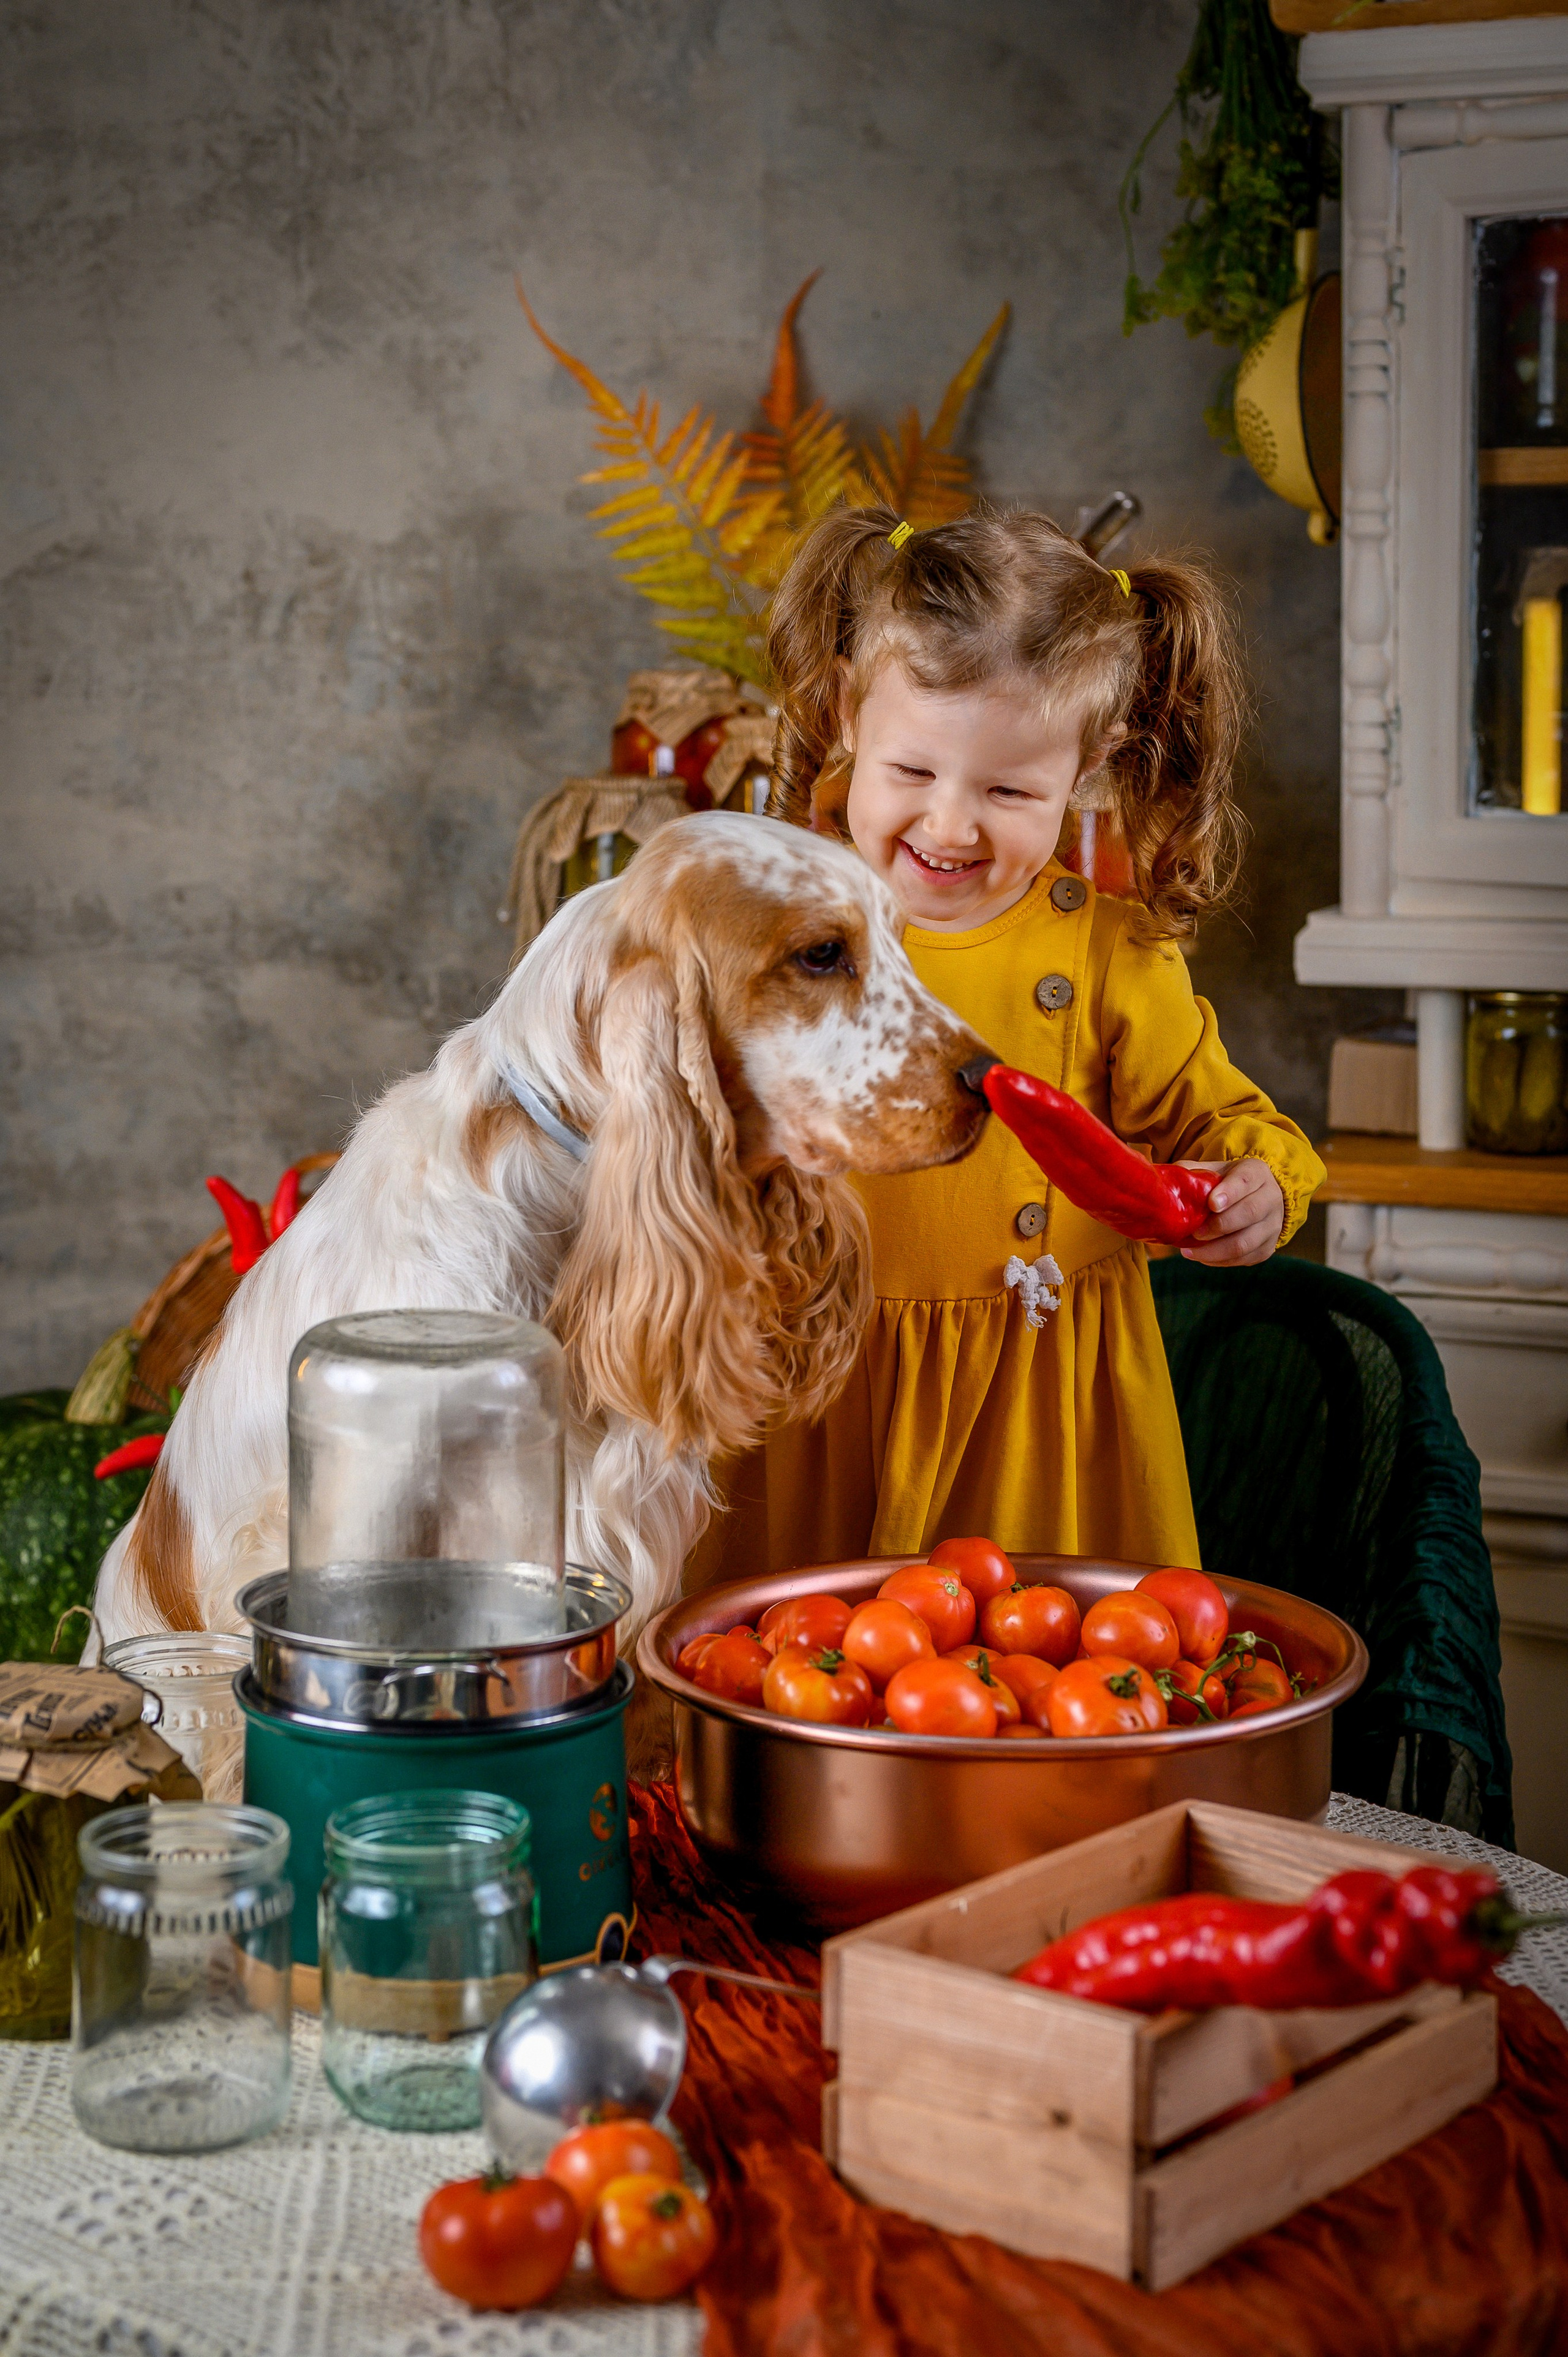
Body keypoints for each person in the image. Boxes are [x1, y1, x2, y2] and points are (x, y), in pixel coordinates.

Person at [695, 503, 1325, 1582]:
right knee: (781, 1686)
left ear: (1089, 768)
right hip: (800, 1391)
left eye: (1009, 790)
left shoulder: (1109, 955)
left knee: (1027, 1698)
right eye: (913, 774)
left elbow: (1227, 1123)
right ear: (849, 711)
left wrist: (1256, 1183)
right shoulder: (764, 921)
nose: (950, 826)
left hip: (1036, 1418)